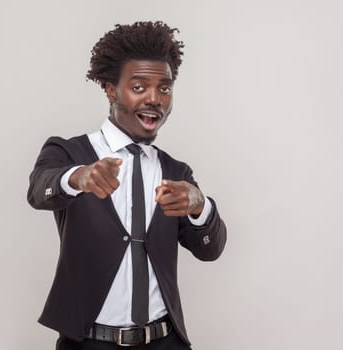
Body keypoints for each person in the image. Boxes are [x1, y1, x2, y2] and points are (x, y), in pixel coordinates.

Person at [27, 21, 227, 349]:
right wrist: (78, 177)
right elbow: (39, 189)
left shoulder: (175, 171)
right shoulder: (69, 152)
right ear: (110, 88)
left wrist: (199, 205)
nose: (154, 99)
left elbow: (210, 249)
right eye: (138, 87)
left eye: (164, 88)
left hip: (165, 341)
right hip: (88, 342)